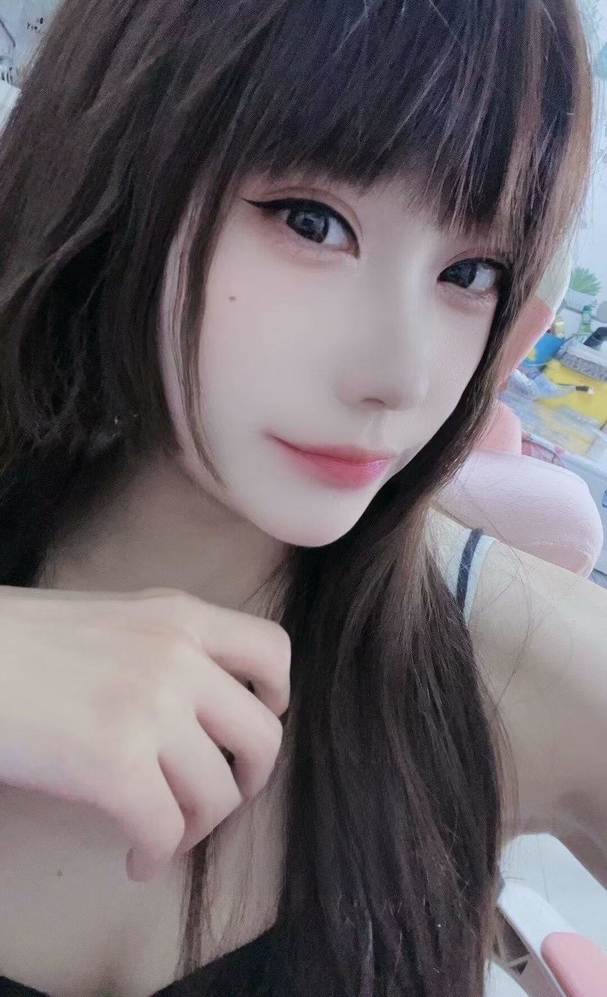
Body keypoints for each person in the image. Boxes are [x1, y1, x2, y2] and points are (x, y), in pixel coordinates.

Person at [0, 1, 603, 995]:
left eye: (469, 272)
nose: (401, 374)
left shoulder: (508, 665)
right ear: (123, 157)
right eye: (312, 223)